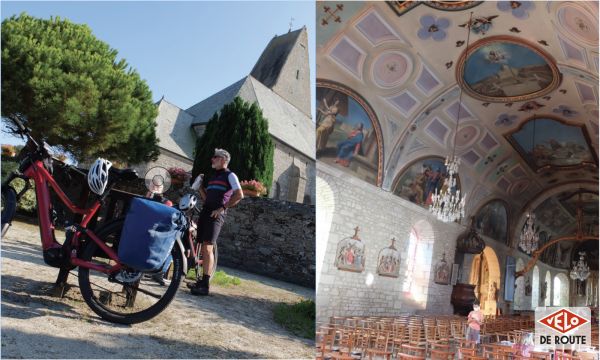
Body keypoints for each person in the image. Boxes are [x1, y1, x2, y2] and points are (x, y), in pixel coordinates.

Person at [189, 148, 243, 296]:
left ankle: (205, 286)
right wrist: (200, 187)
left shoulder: (230, 175)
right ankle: (200, 281)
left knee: (208, 247)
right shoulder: (213, 177)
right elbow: (206, 198)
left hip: (216, 214)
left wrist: (222, 209)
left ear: (224, 160)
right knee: (201, 245)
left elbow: (239, 194)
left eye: (215, 157)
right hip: (206, 211)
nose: (212, 159)